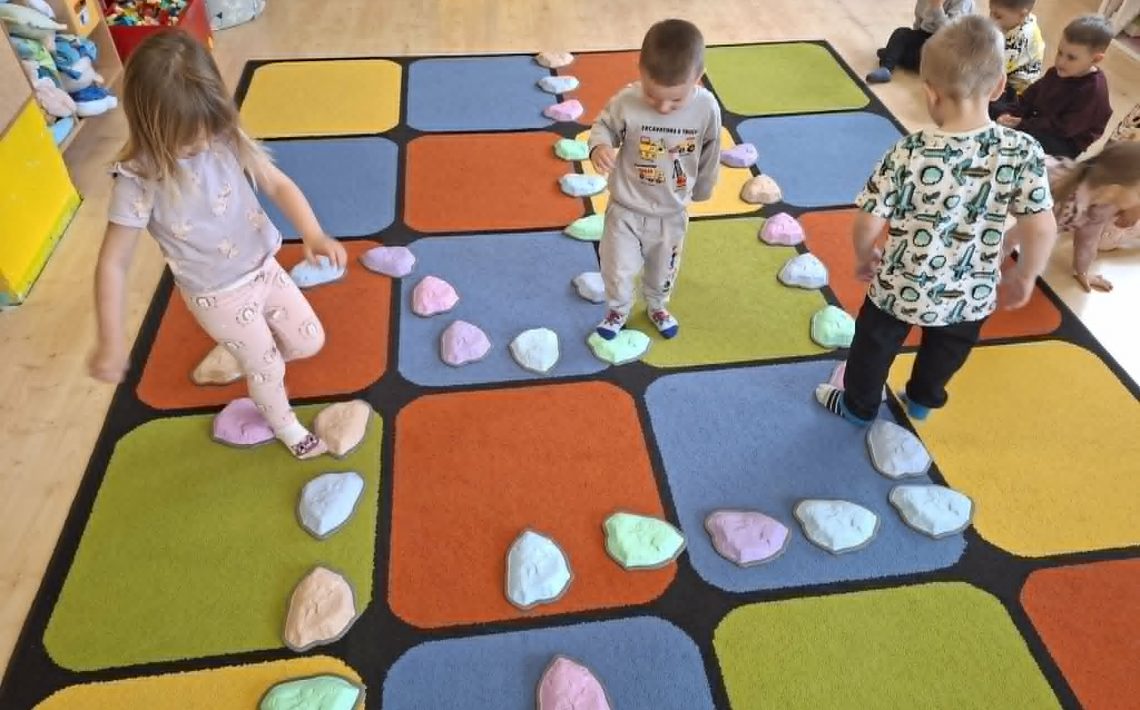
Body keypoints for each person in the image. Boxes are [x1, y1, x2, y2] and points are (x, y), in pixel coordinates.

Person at [88, 31, 346, 460]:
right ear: (152, 126)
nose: (202, 144)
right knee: (268, 367)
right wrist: (112, 341)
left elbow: (276, 183)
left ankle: (246, 354)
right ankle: (285, 425)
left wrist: (314, 234)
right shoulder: (138, 181)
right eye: (188, 138)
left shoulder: (221, 134)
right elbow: (113, 264)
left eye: (207, 129)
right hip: (219, 295)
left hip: (264, 267)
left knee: (308, 341)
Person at [814, 15, 1057, 425]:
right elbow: (1042, 225)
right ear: (999, 86)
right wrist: (1026, 274)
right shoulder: (1023, 151)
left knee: (873, 345)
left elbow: (869, 219)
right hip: (971, 291)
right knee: (947, 350)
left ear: (929, 93)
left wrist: (863, 255)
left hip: (901, 284)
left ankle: (858, 406)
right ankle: (922, 400)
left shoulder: (908, 151)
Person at [588, 18, 721, 340]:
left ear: (698, 78)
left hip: (671, 213)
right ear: (640, 70)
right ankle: (617, 309)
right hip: (625, 208)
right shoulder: (626, 100)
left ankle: (657, 305)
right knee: (617, 268)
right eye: (651, 94)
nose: (663, 107)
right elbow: (603, 126)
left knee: (664, 269)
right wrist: (599, 147)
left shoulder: (706, 108)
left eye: (676, 100)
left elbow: (711, 149)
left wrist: (703, 188)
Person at [1008, 142, 1140, 292]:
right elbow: (1019, 235)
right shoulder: (1067, 202)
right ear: (1115, 188)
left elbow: (1088, 240)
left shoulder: (1102, 206)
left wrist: (1081, 271)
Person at [996, 15, 1114, 159]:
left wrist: (1023, 124)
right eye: (1060, 52)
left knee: (1026, 140)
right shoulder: (1058, 71)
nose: (1060, 62)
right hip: (1040, 120)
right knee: (997, 100)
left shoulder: (1093, 91)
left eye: (1071, 58)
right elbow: (1031, 95)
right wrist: (1012, 113)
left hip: (1064, 140)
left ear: (1095, 59)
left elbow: (1064, 128)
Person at [866, 0, 975, 84]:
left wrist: (937, 7)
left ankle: (893, 55)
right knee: (901, 33)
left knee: (934, 59)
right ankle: (886, 67)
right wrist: (911, 41)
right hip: (927, 37)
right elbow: (919, 19)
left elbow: (950, 32)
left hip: (949, 43)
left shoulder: (963, 2)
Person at [987, 0, 1046, 118]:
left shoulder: (1022, 37)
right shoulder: (1016, 22)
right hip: (1006, 80)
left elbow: (995, 69)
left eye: (998, 16)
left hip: (1017, 95)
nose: (991, 20)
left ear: (1022, 14)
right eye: (991, 12)